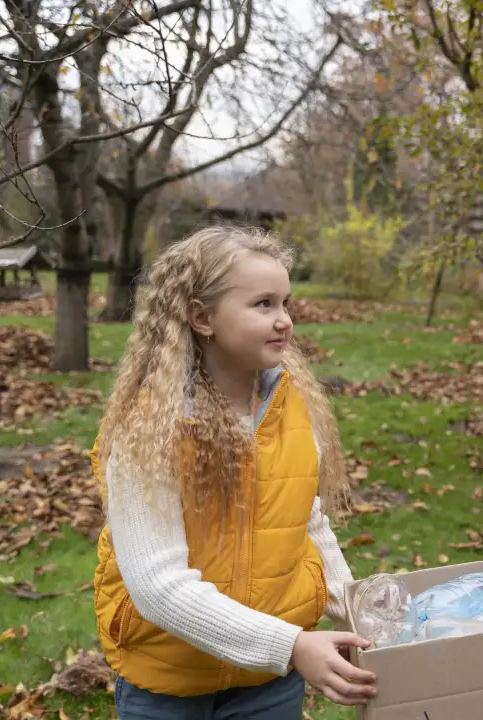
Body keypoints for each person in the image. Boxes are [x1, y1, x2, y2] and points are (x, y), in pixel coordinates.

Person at [90, 227, 378, 718]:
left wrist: (356, 610)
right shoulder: (150, 429)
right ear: (202, 317)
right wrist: (292, 646)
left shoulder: (291, 410)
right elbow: (158, 587)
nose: (284, 320)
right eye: (263, 304)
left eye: (286, 303)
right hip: (169, 684)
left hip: (270, 686)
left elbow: (305, 522)